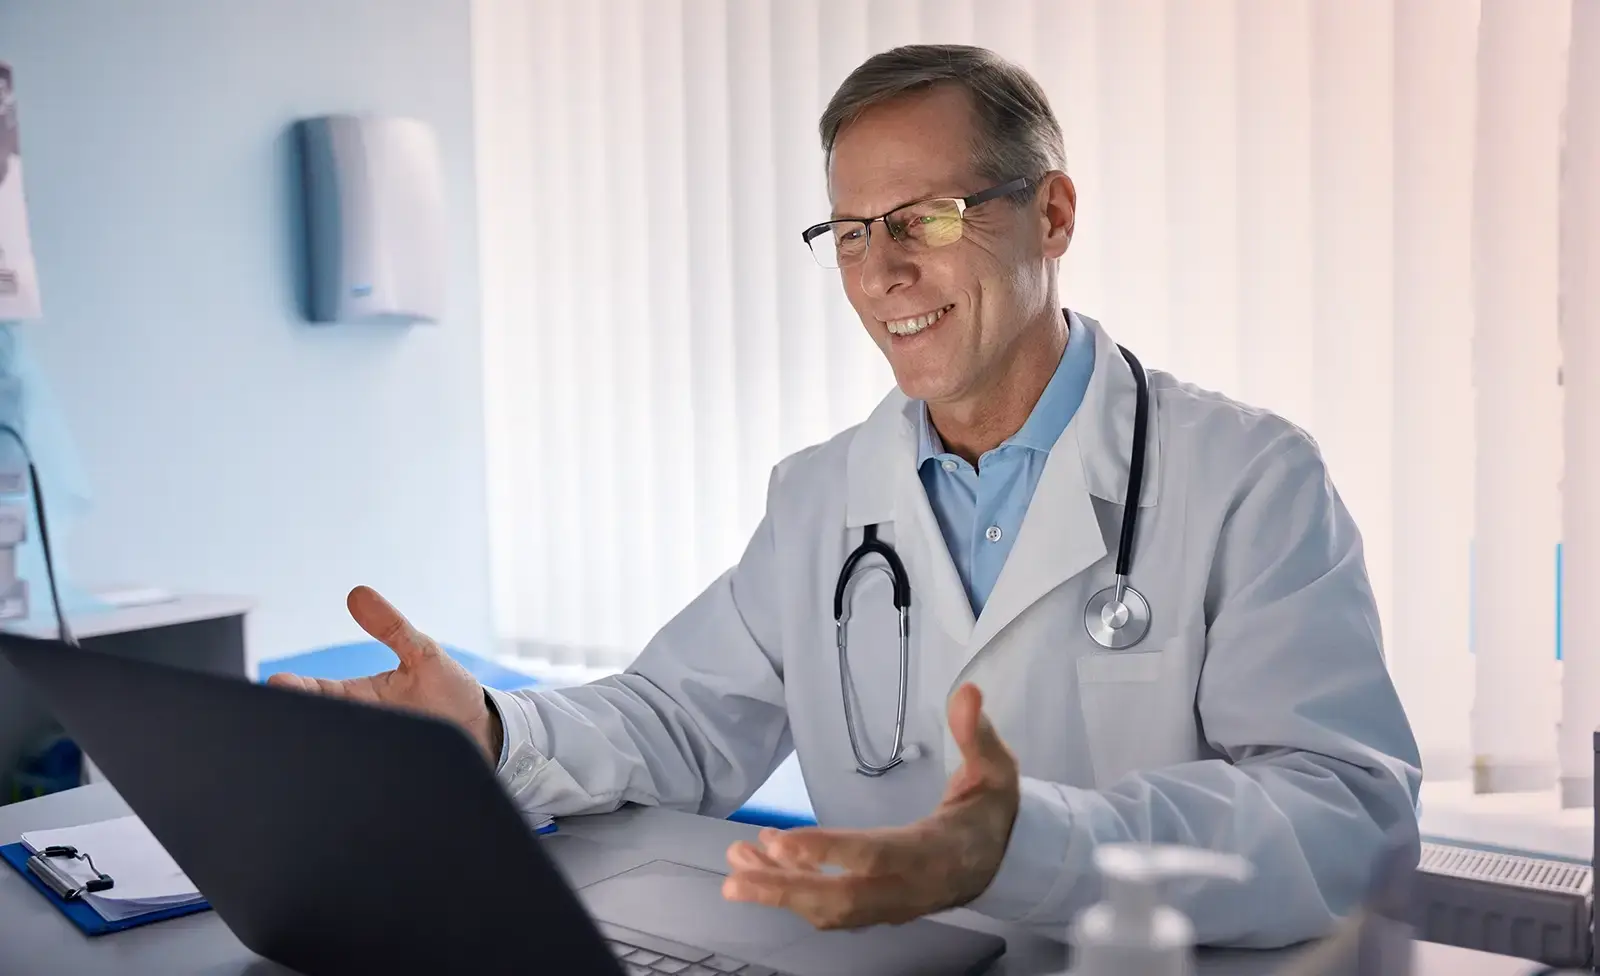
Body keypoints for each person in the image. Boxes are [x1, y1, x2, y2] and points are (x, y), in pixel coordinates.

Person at [270, 44, 1421, 948]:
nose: (883, 273)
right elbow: (678, 720)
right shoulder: (823, 498)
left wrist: (1027, 846)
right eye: (853, 233)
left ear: (1053, 216)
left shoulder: (1249, 480)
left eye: (924, 220)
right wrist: (488, 725)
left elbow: (1344, 818)